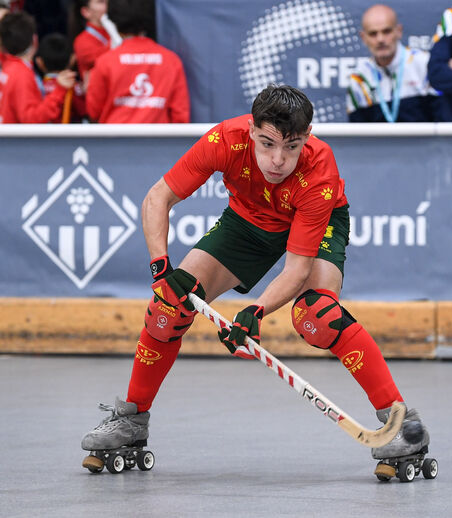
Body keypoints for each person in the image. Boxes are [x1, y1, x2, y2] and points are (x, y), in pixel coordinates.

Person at [80, 84, 430, 475]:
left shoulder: (320, 170)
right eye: (267, 144)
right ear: (250, 130)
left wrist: (256, 311)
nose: (278, 160)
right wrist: (161, 268)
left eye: (292, 147)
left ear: (307, 138)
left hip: (316, 221)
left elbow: (297, 268)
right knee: (167, 308)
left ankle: (402, 423)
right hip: (249, 221)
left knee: (318, 316)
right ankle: (131, 420)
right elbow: (157, 198)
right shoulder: (224, 139)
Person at [85, 0, 188, 123]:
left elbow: (93, 111)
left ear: (114, 20)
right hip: (158, 141)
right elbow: (180, 115)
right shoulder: (171, 60)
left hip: (115, 139)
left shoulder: (106, 61)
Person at [346, 4, 439, 123]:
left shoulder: (425, 64)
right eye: (373, 34)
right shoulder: (359, 79)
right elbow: (356, 134)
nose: (380, 39)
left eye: (386, 31)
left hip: (425, 141)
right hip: (378, 142)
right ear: (363, 38)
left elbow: (443, 120)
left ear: (398, 31)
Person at [0, 11, 76, 123]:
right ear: (35, 40)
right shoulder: (21, 74)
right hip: (14, 139)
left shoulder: (7, 66)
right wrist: (59, 90)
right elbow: (32, 119)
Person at [35, 32, 86, 123]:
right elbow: (85, 112)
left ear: (39, 62)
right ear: (72, 59)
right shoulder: (77, 88)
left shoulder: (36, 87)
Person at [69, 0, 117, 86]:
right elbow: (105, 60)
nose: (108, 5)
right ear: (86, 12)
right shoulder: (82, 41)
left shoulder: (115, 31)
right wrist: (117, 38)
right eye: (101, 2)